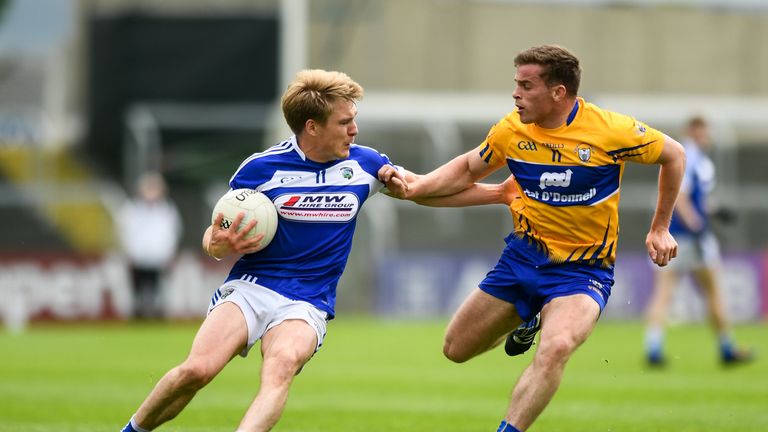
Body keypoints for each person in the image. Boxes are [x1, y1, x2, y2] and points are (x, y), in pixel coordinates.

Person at [120, 69, 511, 432]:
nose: (354, 130)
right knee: (197, 371)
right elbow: (214, 234)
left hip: (307, 301)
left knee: (281, 367)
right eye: (344, 122)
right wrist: (219, 243)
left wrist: (497, 193)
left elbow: (424, 191)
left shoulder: (367, 163)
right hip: (252, 287)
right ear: (312, 127)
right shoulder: (262, 168)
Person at [380, 44, 686, 432]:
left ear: (558, 92)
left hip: (583, 270)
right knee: (456, 349)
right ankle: (527, 317)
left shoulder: (611, 130)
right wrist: (417, 186)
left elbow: (673, 155)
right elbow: (467, 169)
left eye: (526, 85)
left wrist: (660, 227)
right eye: (516, 84)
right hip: (523, 259)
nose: (515, 94)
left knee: (556, 347)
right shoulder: (512, 129)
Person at [644, 116, 753, 367]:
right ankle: (727, 347)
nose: (704, 137)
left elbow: (689, 197)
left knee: (663, 293)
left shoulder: (691, 157)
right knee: (713, 291)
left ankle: (653, 346)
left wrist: (712, 210)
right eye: (701, 132)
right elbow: (681, 196)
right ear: (693, 132)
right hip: (689, 237)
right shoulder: (690, 157)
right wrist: (697, 224)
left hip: (672, 235)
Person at [117, 171, 182, 319]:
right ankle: (137, 316)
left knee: (158, 291)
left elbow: (173, 234)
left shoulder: (167, 210)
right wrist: (129, 252)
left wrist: (169, 253)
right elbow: (125, 233)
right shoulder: (132, 209)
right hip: (138, 257)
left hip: (158, 258)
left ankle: (158, 316)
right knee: (137, 291)